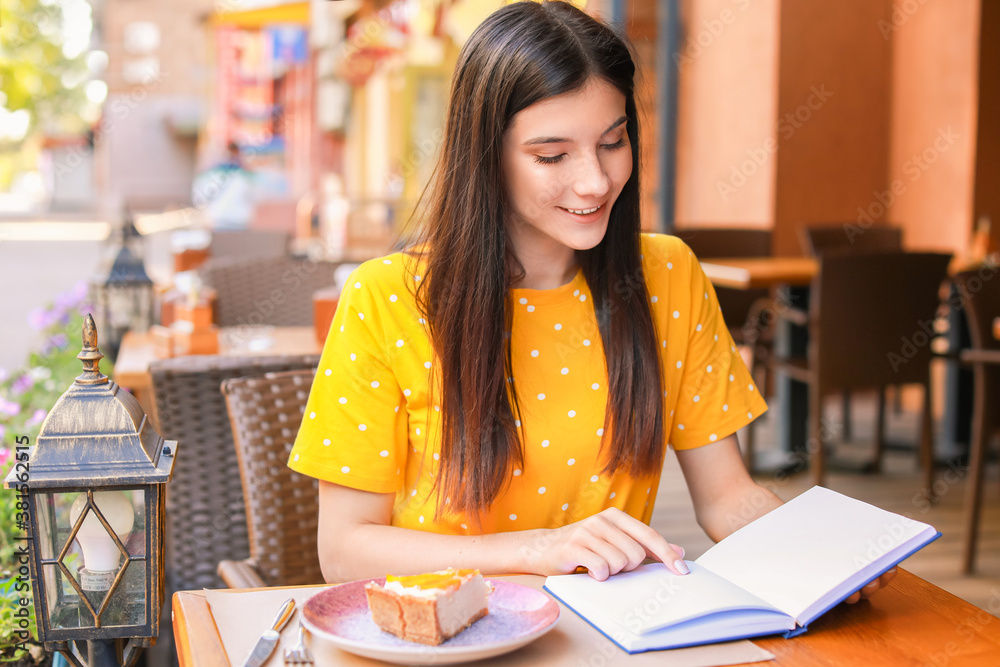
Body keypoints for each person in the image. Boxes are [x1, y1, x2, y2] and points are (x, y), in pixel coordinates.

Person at [288, 0, 893, 602]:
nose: (595, 182)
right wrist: (538, 549)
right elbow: (343, 551)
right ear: (485, 156)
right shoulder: (388, 296)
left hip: (610, 632)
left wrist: (819, 557)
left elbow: (727, 497)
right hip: (447, 634)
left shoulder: (667, 276)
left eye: (613, 141)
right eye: (552, 156)